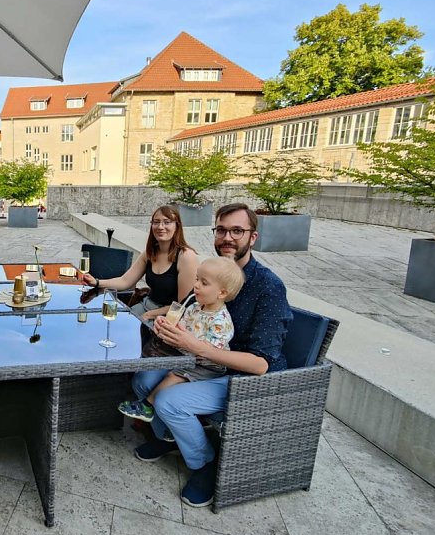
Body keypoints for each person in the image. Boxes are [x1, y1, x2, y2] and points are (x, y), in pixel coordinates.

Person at [132, 203, 292, 508]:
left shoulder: (268, 287)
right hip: (199, 363)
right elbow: (186, 308)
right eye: (221, 230)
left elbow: (261, 364)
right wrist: (168, 324)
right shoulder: (210, 275)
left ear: (253, 237)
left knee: (168, 400)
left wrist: (196, 347)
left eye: (237, 231)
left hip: (242, 379)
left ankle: (204, 464)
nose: (227, 238)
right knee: (143, 380)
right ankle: (169, 438)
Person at [118, 256, 244, 424]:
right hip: (185, 356)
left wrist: (185, 339)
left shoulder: (221, 321)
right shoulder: (194, 306)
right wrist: (166, 324)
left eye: (204, 283)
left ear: (222, 293)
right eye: (197, 279)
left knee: (174, 375)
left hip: (207, 365)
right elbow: (180, 326)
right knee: (149, 370)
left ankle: (147, 406)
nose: (196, 285)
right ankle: (166, 429)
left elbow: (209, 351)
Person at [80, 205, 198, 324]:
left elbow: (182, 306)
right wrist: (97, 282)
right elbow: (125, 281)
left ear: (177, 226)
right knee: (106, 324)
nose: (160, 227)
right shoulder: (150, 253)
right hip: (145, 306)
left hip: (166, 317)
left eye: (167, 222)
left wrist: (151, 314)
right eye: (156, 222)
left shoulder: (186, 257)